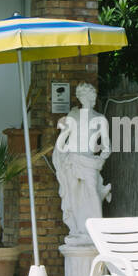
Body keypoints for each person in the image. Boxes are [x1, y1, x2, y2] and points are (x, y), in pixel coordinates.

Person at [53, 82, 112, 246]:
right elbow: (62, 140)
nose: (92, 98)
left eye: (93, 95)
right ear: (81, 97)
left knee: (92, 193)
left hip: (90, 162)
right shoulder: (73, 116)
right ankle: (78, 230)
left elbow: (107, 147)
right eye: (88, 95)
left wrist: (101, 159)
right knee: (74, 196)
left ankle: (96, 231)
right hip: (72, 160)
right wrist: (62, 151)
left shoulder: (100, 119)